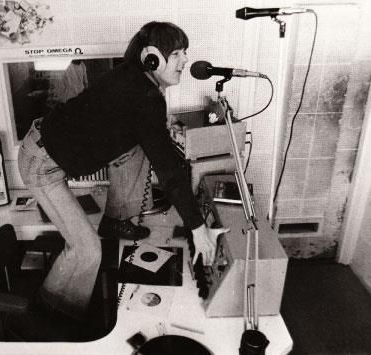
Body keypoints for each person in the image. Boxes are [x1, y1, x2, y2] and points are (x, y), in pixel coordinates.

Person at [18, 21, 225, 321]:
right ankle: (54, 316)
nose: (185, 61)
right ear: (151, 58)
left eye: (185, 53)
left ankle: (115, 220)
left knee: (141, 144)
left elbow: (159, 150)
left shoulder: (138, 81)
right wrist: (197, 226)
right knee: (87, 251)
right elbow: (168, 169)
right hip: (42, 165)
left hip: (46, 145)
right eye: (177, 53)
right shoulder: (143, 98)